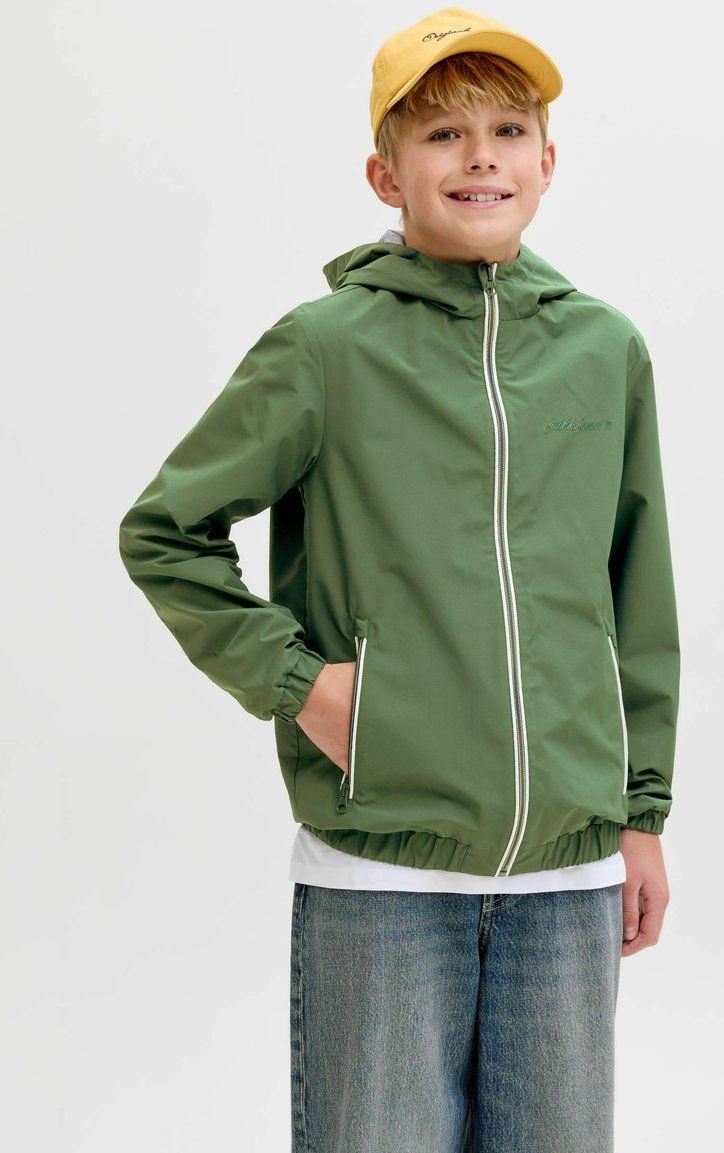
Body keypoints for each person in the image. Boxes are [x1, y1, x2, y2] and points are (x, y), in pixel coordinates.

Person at [119, 7, 681, 1151]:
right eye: (441, 134)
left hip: (567, 876)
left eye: (508, 130)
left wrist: (641, 815)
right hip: (380, 879)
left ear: (547, 161)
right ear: (385, 173)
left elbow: (638, 596)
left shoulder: (603, 349)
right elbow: (165, 531)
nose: (480, 157)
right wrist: (303, 685)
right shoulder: (325, 347)